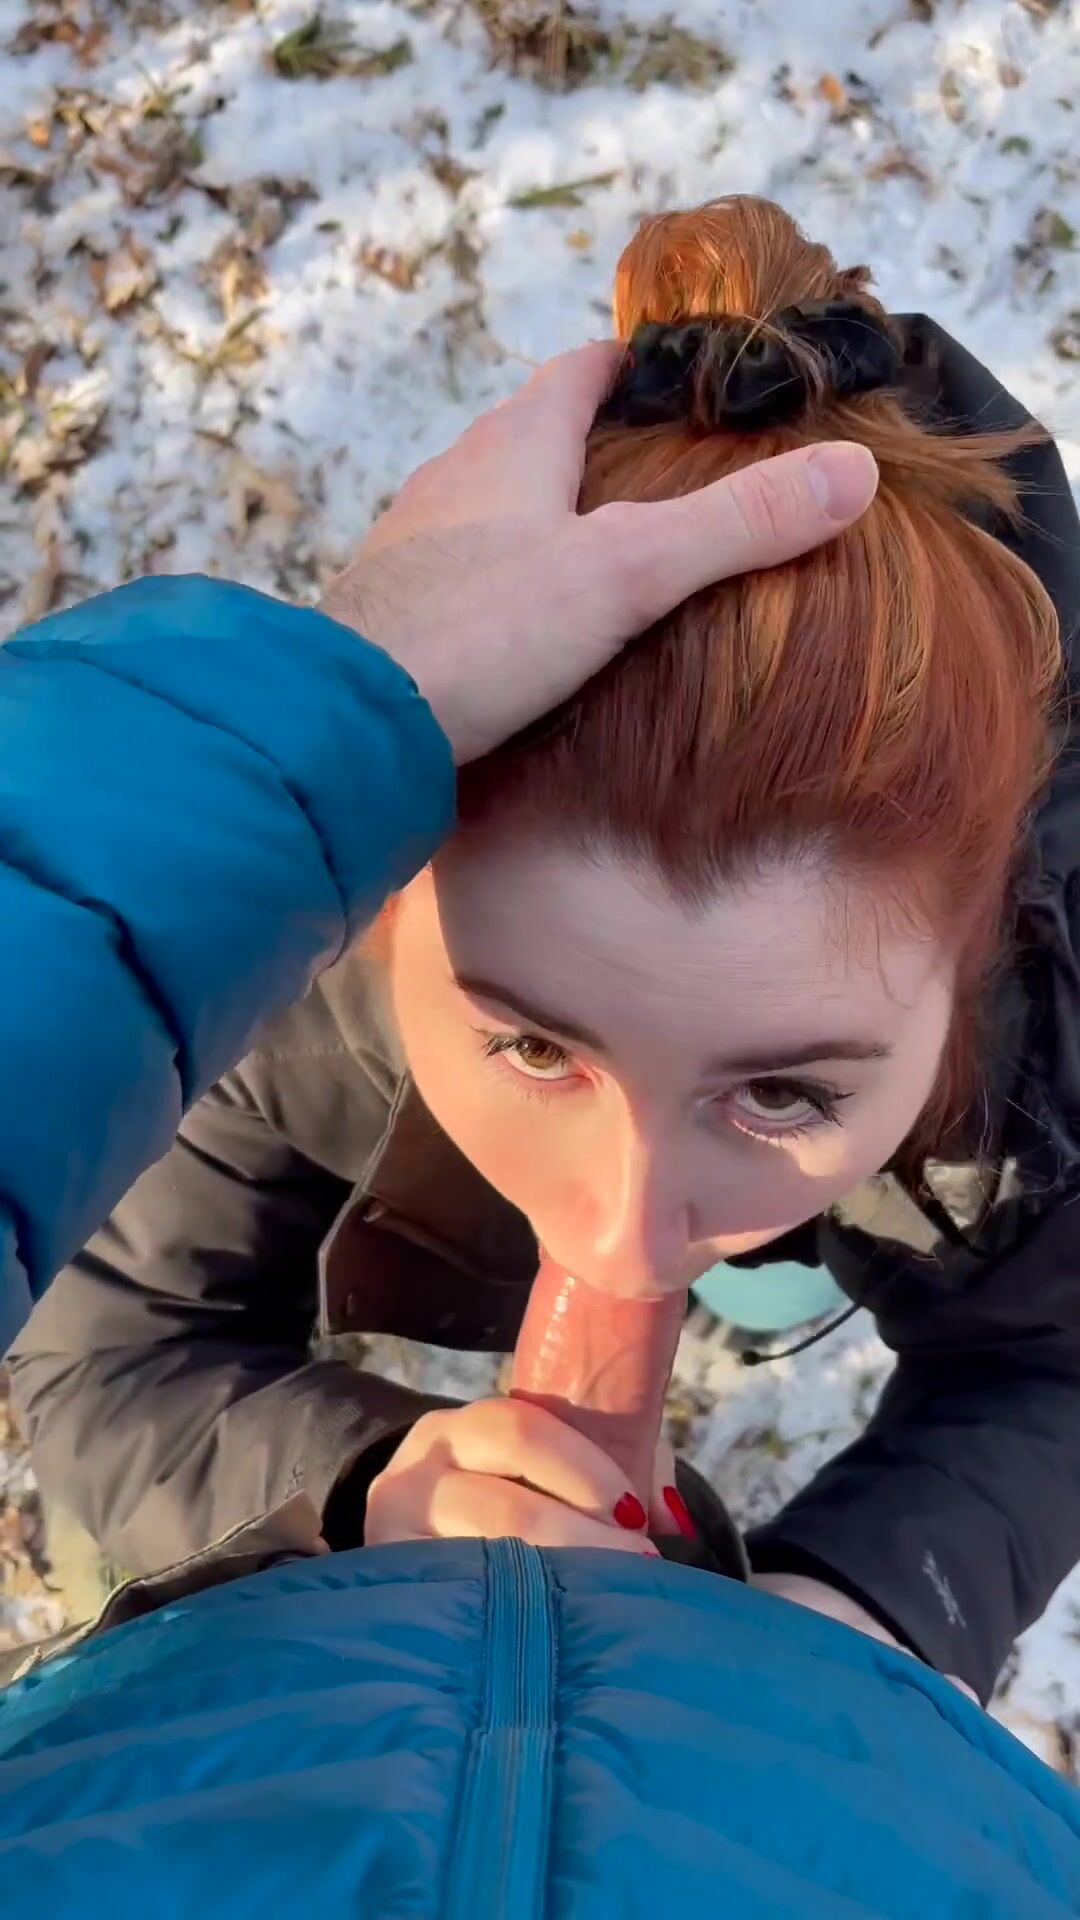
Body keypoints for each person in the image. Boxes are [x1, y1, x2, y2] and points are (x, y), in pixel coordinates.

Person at [10, 198, 1079, 1713]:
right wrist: (357, 1488)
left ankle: (780, 1260)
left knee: (774, 1253)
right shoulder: (287, 990)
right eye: (530, 1044)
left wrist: (872, 1600)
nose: (622, 1238)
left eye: (785, 1088)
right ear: (393, 911)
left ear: (973, 990)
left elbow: (1051, 1363)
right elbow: (116, 1342)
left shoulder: (1042, 1058)